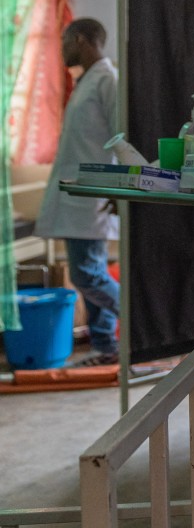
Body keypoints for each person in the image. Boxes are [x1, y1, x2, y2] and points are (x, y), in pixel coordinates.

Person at [34, 18, 121, 367]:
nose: (62, 49)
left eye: (64, 41)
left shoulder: (107, 80)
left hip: (93, 192)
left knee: (87, 274)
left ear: (82, 40)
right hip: (78, 193)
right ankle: (105, 346)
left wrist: (118, 185)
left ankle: (138, 324)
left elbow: (121, 136)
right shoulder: (86, 82)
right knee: (91, 269)